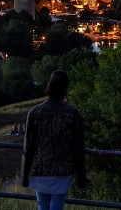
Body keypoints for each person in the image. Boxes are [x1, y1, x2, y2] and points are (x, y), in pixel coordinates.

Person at [21, 70, 86, 210]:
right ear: (65, 89)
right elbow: (78, 146)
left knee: (42, 205)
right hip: (62, 170)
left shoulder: (35, 112)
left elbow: (28, 146)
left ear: (49, 86)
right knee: (57, 205)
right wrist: (81, 174)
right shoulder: (72, 113)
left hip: (39, 168)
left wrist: (24, 174)